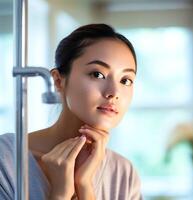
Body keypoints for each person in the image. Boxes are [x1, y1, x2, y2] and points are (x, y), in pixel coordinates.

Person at [0, 23, 142, 200]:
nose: (113, 93)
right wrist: (60, 194)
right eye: (97, 74)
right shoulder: (6, 159)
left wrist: (84, 185)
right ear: (58, 81)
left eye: (126, 80)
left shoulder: (123, 174)